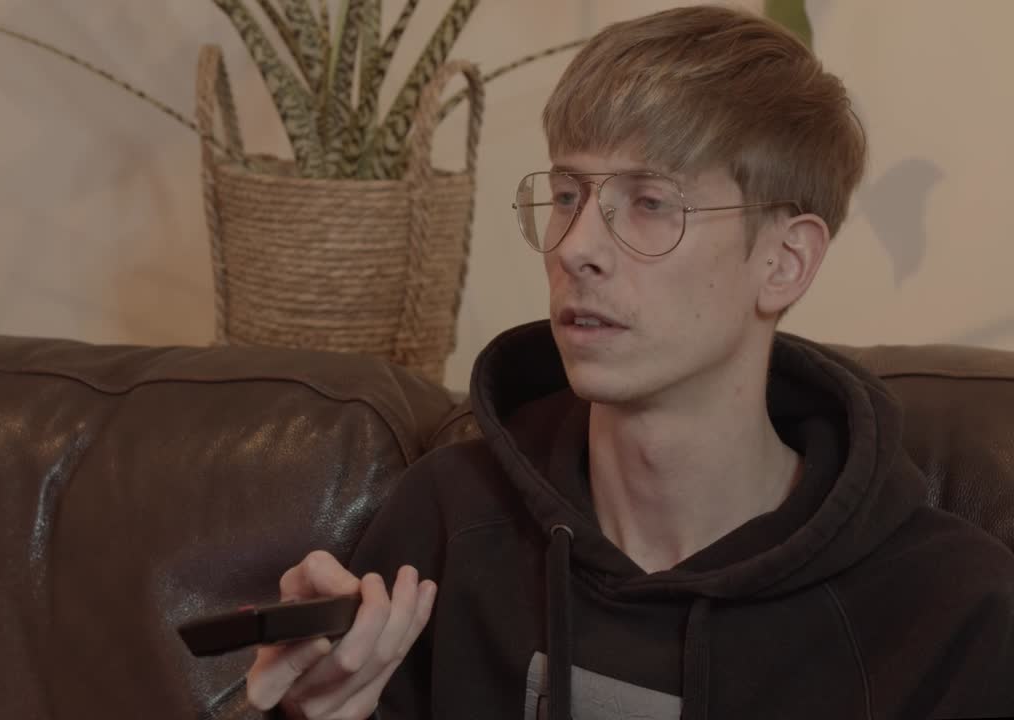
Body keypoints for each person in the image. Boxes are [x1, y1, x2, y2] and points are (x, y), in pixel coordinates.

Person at [244, 5, 1014, 719]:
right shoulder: (445, 521)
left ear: (784, 262)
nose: (576, 247)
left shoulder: (953, 611)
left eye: (650, 202)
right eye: (568, 195)